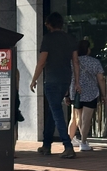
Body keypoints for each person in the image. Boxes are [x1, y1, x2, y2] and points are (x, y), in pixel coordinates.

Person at [30, 12, 81, 159]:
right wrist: (76, 82)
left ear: (50, 24)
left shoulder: (48, 39)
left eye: (46, 24)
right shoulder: (70, 38)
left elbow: (42, 62)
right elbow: (75, 62)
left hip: (52, 80)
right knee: (53, 111)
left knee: (56, 112)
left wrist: (34, 79)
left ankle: (67, 145)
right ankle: (46, 145)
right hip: (66, 78)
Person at [65, 40, 106, 152]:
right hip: (90, 93)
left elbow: (67, 79)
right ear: (87, 50)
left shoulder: (72, 62)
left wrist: (67, 94)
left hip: (75, 93)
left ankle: (70, 139)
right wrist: (104, 94)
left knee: (75, 117)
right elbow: (101, 79)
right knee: (85, 119)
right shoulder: (94, 62)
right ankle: (83, 142)